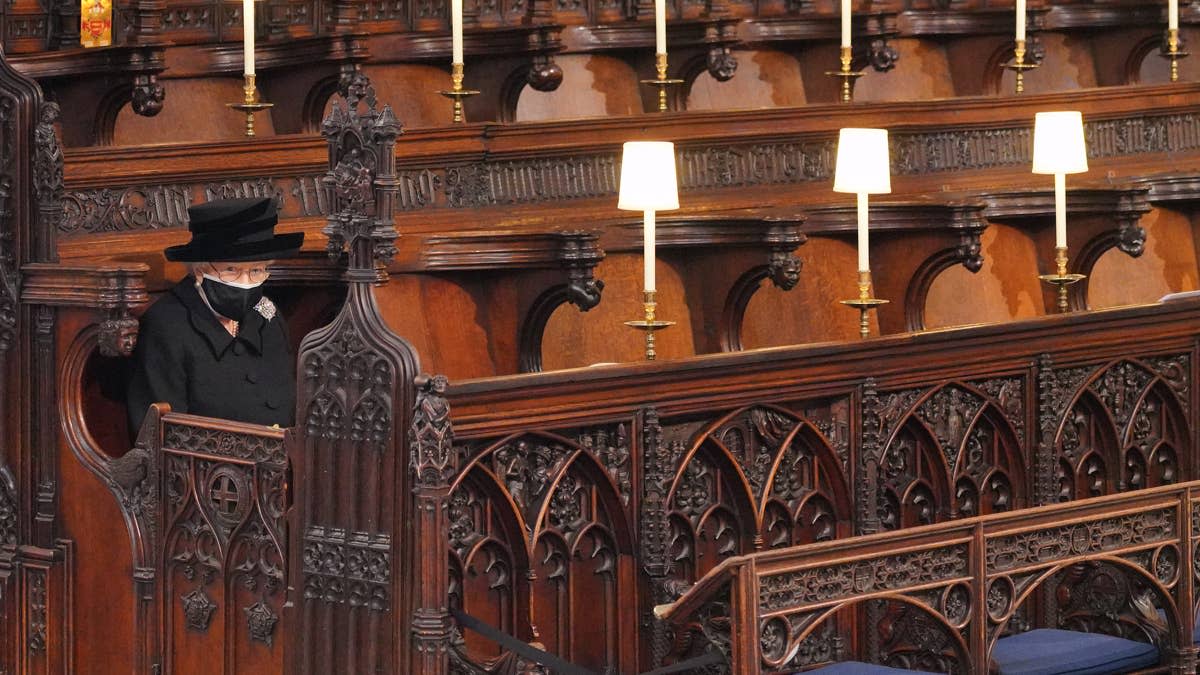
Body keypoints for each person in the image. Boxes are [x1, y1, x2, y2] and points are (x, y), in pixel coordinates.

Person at [126, 197, 304, 433]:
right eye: (231, 270)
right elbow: (160, 435)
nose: (246, 283)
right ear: (200, 270)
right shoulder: (167, 325)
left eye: (256, 270)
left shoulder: (267, 314)